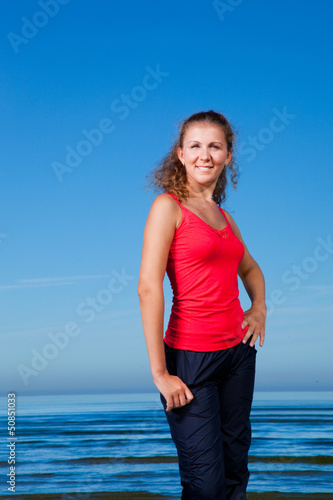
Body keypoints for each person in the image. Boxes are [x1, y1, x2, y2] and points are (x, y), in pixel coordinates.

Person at [137, 110, 266, 500]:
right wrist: (160, 373)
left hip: (238, 355)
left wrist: (258, 308)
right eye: (195, 146)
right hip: (191, 358)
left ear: (228, 155)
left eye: (215, 146)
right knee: (205, 486)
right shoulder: (168, 207)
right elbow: (148, 288)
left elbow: (252, 269)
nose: (204, 155)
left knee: (233, 474)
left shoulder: (226, 219)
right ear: (180, 155)